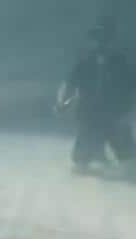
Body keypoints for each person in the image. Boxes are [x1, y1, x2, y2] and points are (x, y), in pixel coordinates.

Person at [57, 17, 136, 177]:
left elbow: (130, 88)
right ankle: (97, 157)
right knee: (80, 163)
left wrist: (125, 111)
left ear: (112, 40)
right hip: (90, 117)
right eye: (98, 38)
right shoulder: (85, 62)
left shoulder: (121, 63)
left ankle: (104, 159)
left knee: (129, 161)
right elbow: (69, 84)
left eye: (105, 38)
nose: (101, 43)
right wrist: (62, 103)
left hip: (114, 117)